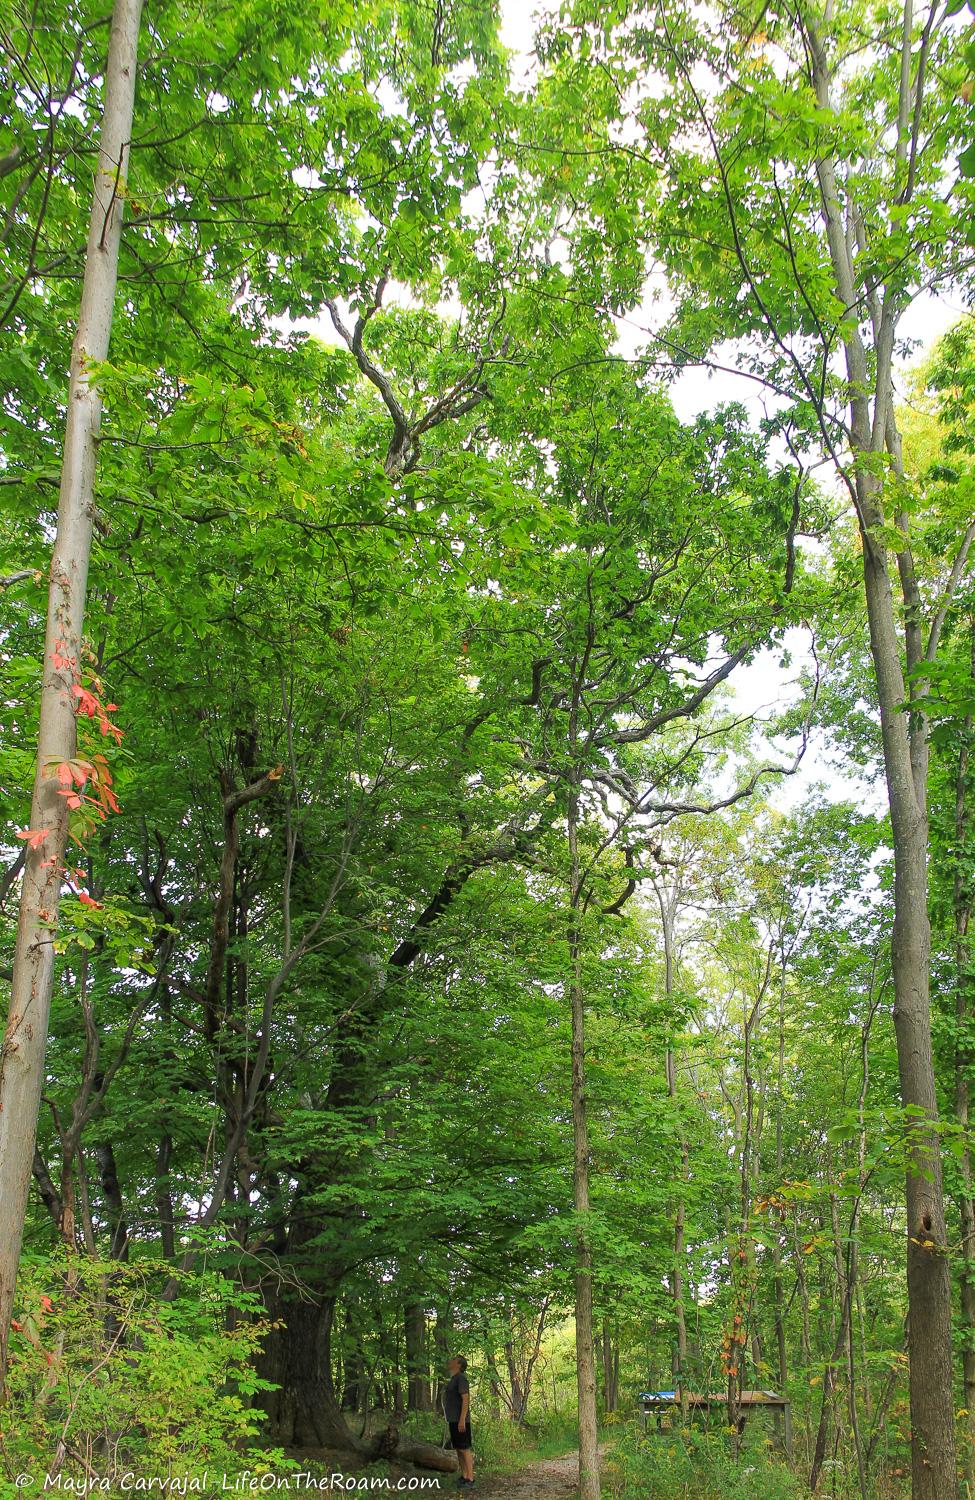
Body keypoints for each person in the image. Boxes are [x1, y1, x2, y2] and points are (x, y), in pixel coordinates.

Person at [443, 1354, 474, 1489]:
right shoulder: (453, 1379)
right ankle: (464, 1476)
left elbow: (465, 1399)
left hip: (461, 1421)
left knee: (465, 1448)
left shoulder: (461, 1378)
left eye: (454, 1359)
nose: (451, 1360)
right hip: (453, 1420)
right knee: (458, 1449)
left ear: (459, 1364)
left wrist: (462, 1419)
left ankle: (470, 1479)